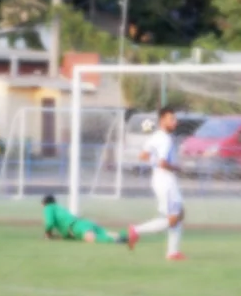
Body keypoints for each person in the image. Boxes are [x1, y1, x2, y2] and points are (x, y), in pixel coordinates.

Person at [127, 106, 186, 261]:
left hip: (160, 180)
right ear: (162, 121)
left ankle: (173, 252)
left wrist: (156, 162)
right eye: (171, 119)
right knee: (173, 218)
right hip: (166, 180)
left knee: (179, 214)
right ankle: (136, 230)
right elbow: (163, 163)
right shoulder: (165, 139)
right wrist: (177, 167)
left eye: (175, 119)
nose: (175, 122)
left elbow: (143, 155)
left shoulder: (156, 136)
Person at [42, 195, 128, 244]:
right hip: (84, 222)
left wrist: (47, 233)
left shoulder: (48, 208)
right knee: (104, 233)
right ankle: (124, 236)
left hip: (76, 227)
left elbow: (50, 223)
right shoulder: (60, 208)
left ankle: (116, 240)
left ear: (44, 203)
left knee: (91, 239)